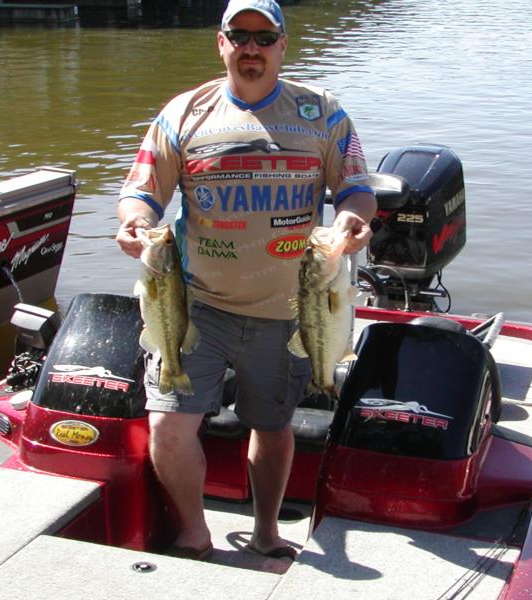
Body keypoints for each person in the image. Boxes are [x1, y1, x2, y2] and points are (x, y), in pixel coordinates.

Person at [116, 0, 377, 561]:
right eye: (240, 36)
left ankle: (265, 530)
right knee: (167, 424)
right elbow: (140, 194)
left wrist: (354, 217)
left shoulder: (322, 114)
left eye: (265, 37)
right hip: (195, 307)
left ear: (283, 45)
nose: (251, 48)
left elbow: (356, 186)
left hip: (289, 309)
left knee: (273, 425)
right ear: (221, 42)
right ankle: (193, 531)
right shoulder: (183, 114)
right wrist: (136, 225)